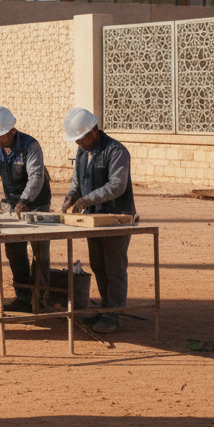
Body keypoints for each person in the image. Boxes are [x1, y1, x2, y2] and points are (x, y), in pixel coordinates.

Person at [60, 108, 136, 334]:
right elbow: (76, 182)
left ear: (94, 131)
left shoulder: (116, 151)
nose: (79, 144)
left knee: (115, 268)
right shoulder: (83, 153)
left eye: (81, 139)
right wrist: (70, 198)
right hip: (93, 220)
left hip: (115, 218)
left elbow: (117, 186)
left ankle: (114, 314)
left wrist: (85, 200)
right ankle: (106, 310)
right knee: (98, 266)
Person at [0, 106, 52, 313]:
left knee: (39, 252)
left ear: (11, 132)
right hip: (12, 204)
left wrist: (25, 200)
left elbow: (37, 176)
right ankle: (23, 295)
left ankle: (40, 297)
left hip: (37, 203)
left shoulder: (31, 146)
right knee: (14, 250)